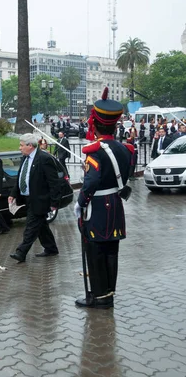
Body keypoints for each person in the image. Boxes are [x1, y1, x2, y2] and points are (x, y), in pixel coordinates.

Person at [74, 87, 133, 309]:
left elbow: (91, 182)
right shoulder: (125, 148)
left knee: (96, 251)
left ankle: (99, 297)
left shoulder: (95, 151)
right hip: (116, 205)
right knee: (111, 251)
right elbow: (125, 175)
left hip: (97, 206)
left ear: (95, 124)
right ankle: (108, 294)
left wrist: (80, 203)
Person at [8, 133, 61, 263]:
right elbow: (21, 178)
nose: (19, 148)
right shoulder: (24, 158)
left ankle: (21, 252)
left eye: (21, 145)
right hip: (27, 199)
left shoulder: (44, 158)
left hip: (40, 199)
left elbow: (54, 182)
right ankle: (51, 248)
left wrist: (54, 202)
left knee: (31, 226)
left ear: (30, 146)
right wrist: (13, 193)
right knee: (41, 226)